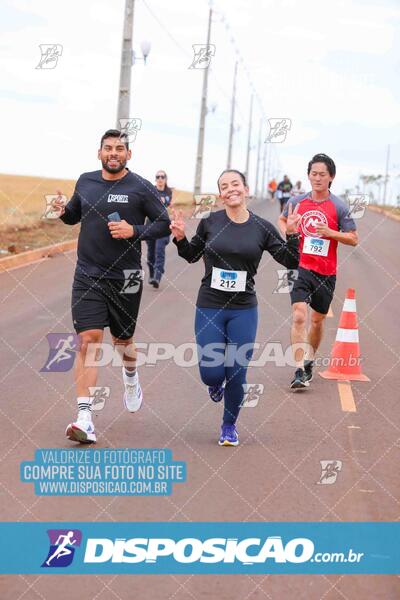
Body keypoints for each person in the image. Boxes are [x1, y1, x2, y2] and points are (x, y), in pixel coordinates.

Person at [53, 129, 170, 443]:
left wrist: (134, 230)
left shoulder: (142, 187)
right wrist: (63, 211)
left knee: (123, 341)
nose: (114, 153)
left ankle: (130, 375)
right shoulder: (86, 181)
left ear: (128, 154)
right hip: (88, 274)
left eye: (120, 148)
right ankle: (84, 418)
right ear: (99, 152)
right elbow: (74, 215)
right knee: (88, 340)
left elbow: (163, 224)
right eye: (108, 148)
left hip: (128, 277)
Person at [170, 169, 300, 446]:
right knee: (212, 373)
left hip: (243, 309)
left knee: (237, 372)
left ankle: (229, 426)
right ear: (220, 194)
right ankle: (215, 384)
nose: (231, 189)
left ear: (246, 189)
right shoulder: (210, 222)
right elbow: (192, 256)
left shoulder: (262, 227)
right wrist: (180, 237)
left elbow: (290, 260)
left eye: (235, 184)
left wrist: (292, 235)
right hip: (210, 305)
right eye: (224, 186)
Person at [278, 153, 358, 390]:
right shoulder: (298, 202)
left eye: (322, 174)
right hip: (302, 267)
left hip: (326, 272)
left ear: (331, 177)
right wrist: (290, 231)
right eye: (314, 174)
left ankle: (310, 360)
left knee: (317, 320)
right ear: (308, 176)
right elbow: (282, 220)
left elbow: (353, 238)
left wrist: (331, 233)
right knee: (299, 315)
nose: (318, 178)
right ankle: (300, 369)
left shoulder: (339, 207)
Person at [146, 170, 173, 289]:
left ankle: (157, 277)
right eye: (158, 176)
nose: (160, 179)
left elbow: (167, 203)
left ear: (165, 179)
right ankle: (152, 274)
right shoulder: (150, 190)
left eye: (162, 176)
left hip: (163, 226)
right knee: (150, 254)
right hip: (150, 225)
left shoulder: (168, 192)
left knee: (159, 251)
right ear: (155, 179)